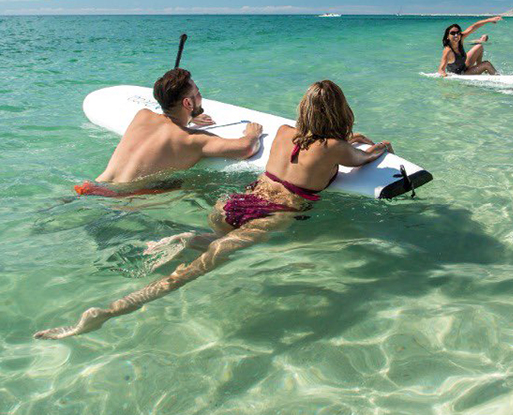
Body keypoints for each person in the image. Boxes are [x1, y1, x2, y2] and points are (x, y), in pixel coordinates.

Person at [35, 80, 392, 339]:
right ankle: (106, 313)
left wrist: (345, 142)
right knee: (188, 274)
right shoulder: (335, 147)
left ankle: (190, 236)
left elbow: (316, 145)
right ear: (340, 111)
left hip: (236, 202)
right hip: (275, 211)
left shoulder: (284, 131)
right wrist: (376, 146)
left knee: (216, 240)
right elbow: (362, 158)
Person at [72, 68, 262, 197]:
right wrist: (252, 134)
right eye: (197, 93)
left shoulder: (142, 116)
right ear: (187, 103)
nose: (200, 96)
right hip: (118, 201)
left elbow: (166, 121)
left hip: (90, 187)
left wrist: (189, 117)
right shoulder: (193, 140)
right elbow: (246, 148)